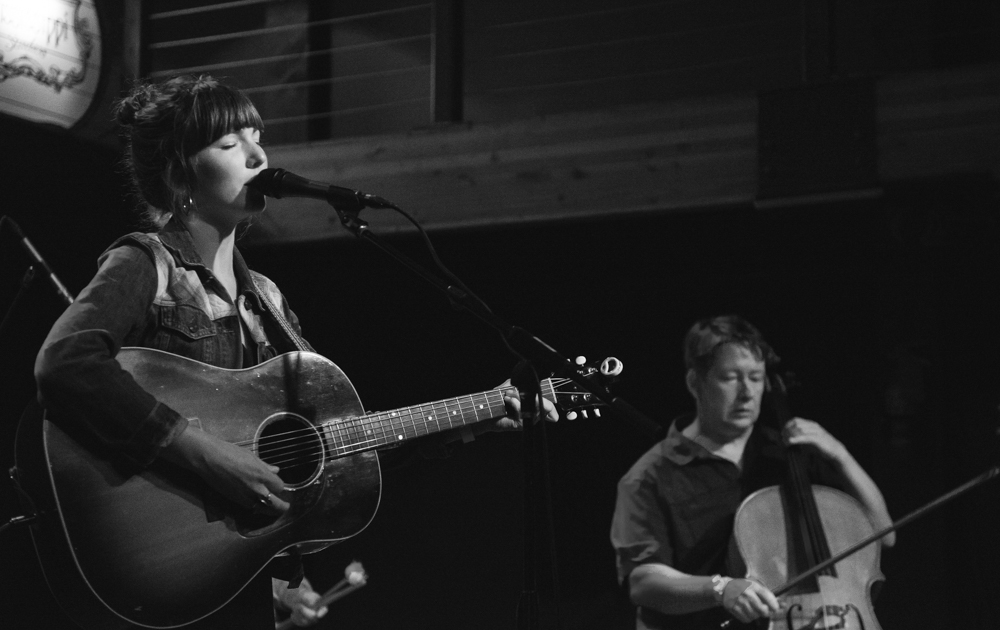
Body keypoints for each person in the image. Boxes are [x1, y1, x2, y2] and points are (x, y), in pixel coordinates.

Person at [32, 74, 555, 629]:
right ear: (177, 172)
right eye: (231, 144)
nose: (259, 155)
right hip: (157, 549)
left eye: (258, 137)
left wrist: (475, 416)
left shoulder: (270, 301)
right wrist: (206, 452)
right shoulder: (146, 264)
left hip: (235, 577)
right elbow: (66, 362)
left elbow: (336, 442)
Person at [610, 315, 894, 630]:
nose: (747, 392)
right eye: (731, 377)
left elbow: (884, 534)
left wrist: (841, 454)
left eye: (756, 378)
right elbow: (643, 581)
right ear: (695, 382)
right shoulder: (649, 475)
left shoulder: (790, 456)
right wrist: (719, 588)